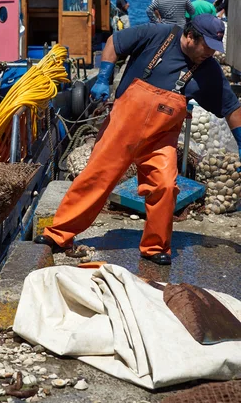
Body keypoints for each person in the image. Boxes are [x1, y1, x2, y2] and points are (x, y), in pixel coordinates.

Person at [35, 15, 241, 265]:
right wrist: (103, 78)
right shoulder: (158, 35)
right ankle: (58, 234)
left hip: (160, 139)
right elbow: (114, 42)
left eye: (214, 47)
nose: (210, 53)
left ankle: (155, 246)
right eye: (206, 46)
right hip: (121, 129)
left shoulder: (208, 70)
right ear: (190, 36)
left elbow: (232, 108)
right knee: (96, 178)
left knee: (165, 186)